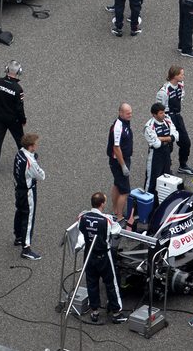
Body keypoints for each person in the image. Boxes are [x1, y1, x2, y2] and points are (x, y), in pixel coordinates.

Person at [77, 192, 127, 324]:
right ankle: (116, 312)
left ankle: (94, 311)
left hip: (89, 254)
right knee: (111, 284)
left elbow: (79, 230)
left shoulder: (82, 216)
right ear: (102, 204)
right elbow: (116, 230)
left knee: (91, 283)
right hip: (104, 255)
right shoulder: (107, 219)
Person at [0, 60, 27, 177]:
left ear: (6, 69)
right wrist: (23, 120)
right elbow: (19, 108)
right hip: (13, 120)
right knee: (21, 140)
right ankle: (27, 162)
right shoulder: (17, 89)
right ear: (19, 72)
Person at [156, 66, 193, 175]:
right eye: (181, 74)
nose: (183, 76)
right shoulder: (163, 91)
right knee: (168, 146)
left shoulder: (180, 85)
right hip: (168, 118)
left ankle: (183, 166)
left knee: (186, 142)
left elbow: (181, 97)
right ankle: (166, 169)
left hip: (177, 116)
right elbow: (159, 109)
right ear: (174, 76)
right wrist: (164, 123)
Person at [13, 133, 45, 260]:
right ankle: (26, 248)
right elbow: (41, 175)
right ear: (31, 146)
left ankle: (18, 235)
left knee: (19, 211)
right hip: (28, 191)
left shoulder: (19, 154)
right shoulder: (30, 161)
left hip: (18, 188)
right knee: (29, 217)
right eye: (36, 144)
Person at [144, 102, 179, 200]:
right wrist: (169, 138)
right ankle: (147, 202)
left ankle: (163, 200)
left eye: (163, 112)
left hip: (166, 152)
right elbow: (156, 144)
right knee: (152, 181)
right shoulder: (149, 127)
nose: (163, 114)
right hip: (155, 155)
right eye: (161, 113)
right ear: (154, 115)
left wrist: (161, 138)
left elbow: (176, 136)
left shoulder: (167, 119)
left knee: (166, 177)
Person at [107, 103, 133, 221]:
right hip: (118, 162)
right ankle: (119, 216)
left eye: (131, 113)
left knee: (117, 185)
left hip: (122, 159)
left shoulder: (124, 123)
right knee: (125, 191)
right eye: (128, 113)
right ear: (120, 113)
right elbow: (116, 148)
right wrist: (123, 166)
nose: (130, 115)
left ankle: (115, 209)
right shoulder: (118, 127)